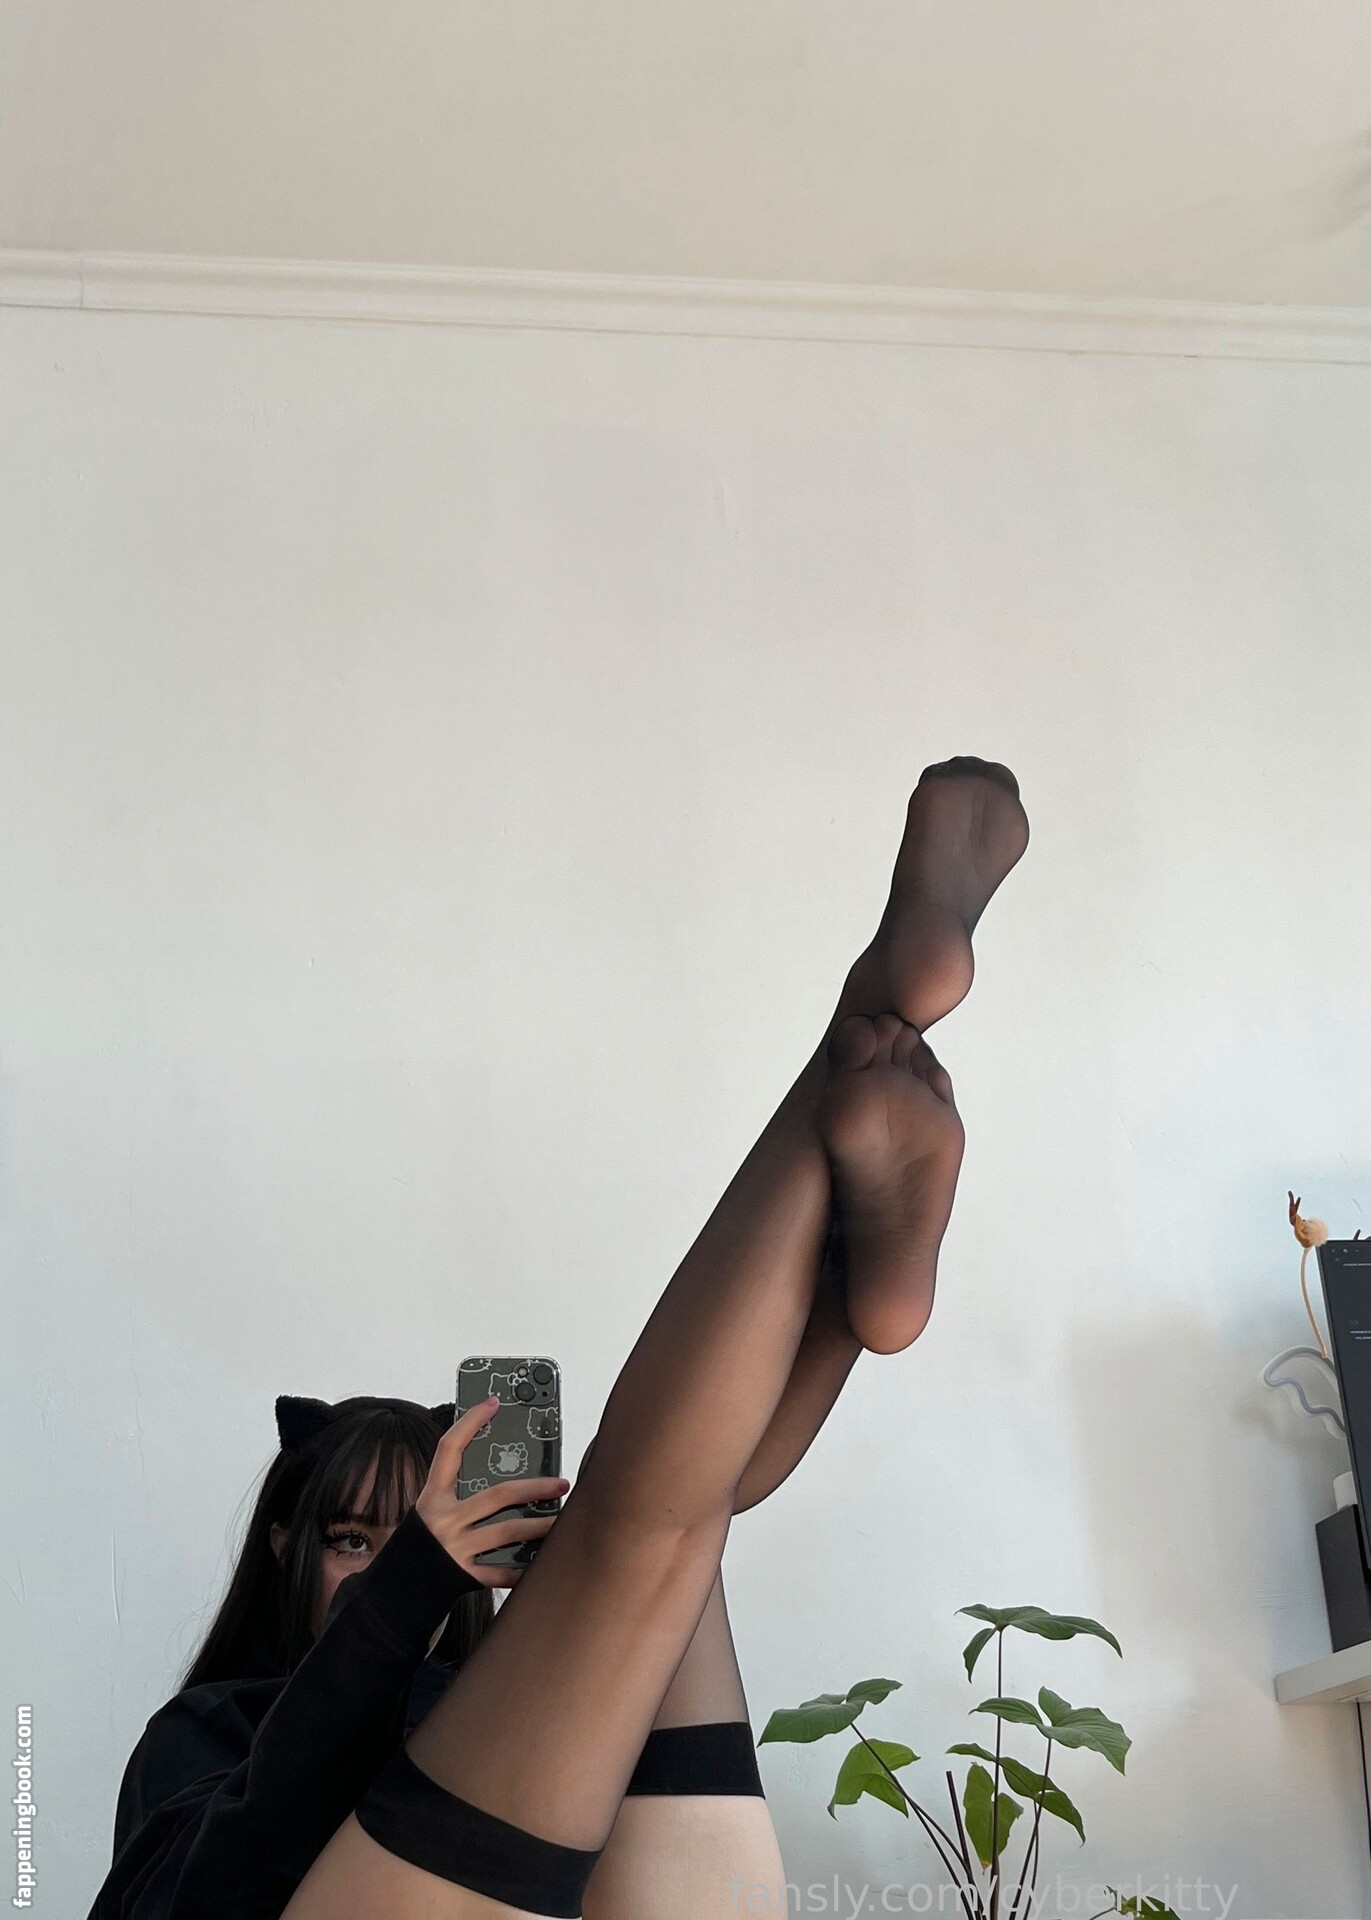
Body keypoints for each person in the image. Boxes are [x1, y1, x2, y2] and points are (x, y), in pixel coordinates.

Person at [93, 758, 1029, 1920]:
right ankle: (856, 1144)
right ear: (282, 1542)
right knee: (649, 1529)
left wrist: (524, 1595)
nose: (384, 1564)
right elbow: (225, 1875)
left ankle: (855, 1228)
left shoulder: (471, 1697)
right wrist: (420, 1576)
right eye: (354, 1538)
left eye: (410, 1533)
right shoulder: (206, 1728)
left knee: (664, 1543)